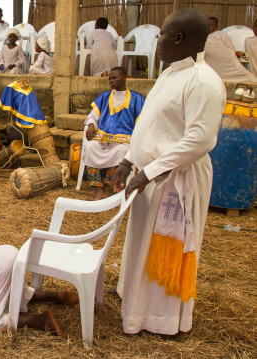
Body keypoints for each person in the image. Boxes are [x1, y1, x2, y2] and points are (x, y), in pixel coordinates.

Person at [112, 9, 226, 335]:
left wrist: (149, 172)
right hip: (151, 175)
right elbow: (151, 124)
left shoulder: (205, 82)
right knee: (141, 245)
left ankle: (159, 318)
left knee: (163, 249)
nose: (156, 41)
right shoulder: (168, 74)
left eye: (160, 34)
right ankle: (135, 301)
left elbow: (199, 140)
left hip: (176, 180)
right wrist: (128, 160)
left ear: (178, 38)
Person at [82, 67, 144, 200]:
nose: (111, 80)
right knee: (90, 148)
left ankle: (106, 187)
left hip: (123, 141)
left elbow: (141, 123)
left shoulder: (136, 99)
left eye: (114, 77)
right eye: (109, 78)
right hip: (103, 139)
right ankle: (98, 189)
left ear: (124, 78)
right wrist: (91, 125)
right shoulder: (104, 97)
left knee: (122, 152)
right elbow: (92, 116)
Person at [204, 17, 257, 82]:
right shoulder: (249, 40)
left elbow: (231, 49)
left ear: (216, 27)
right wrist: (242, 54)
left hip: (227, 64)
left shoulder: (220, 34)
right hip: (215, 66)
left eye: (211, 25)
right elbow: (248, 54)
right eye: (255, 26)